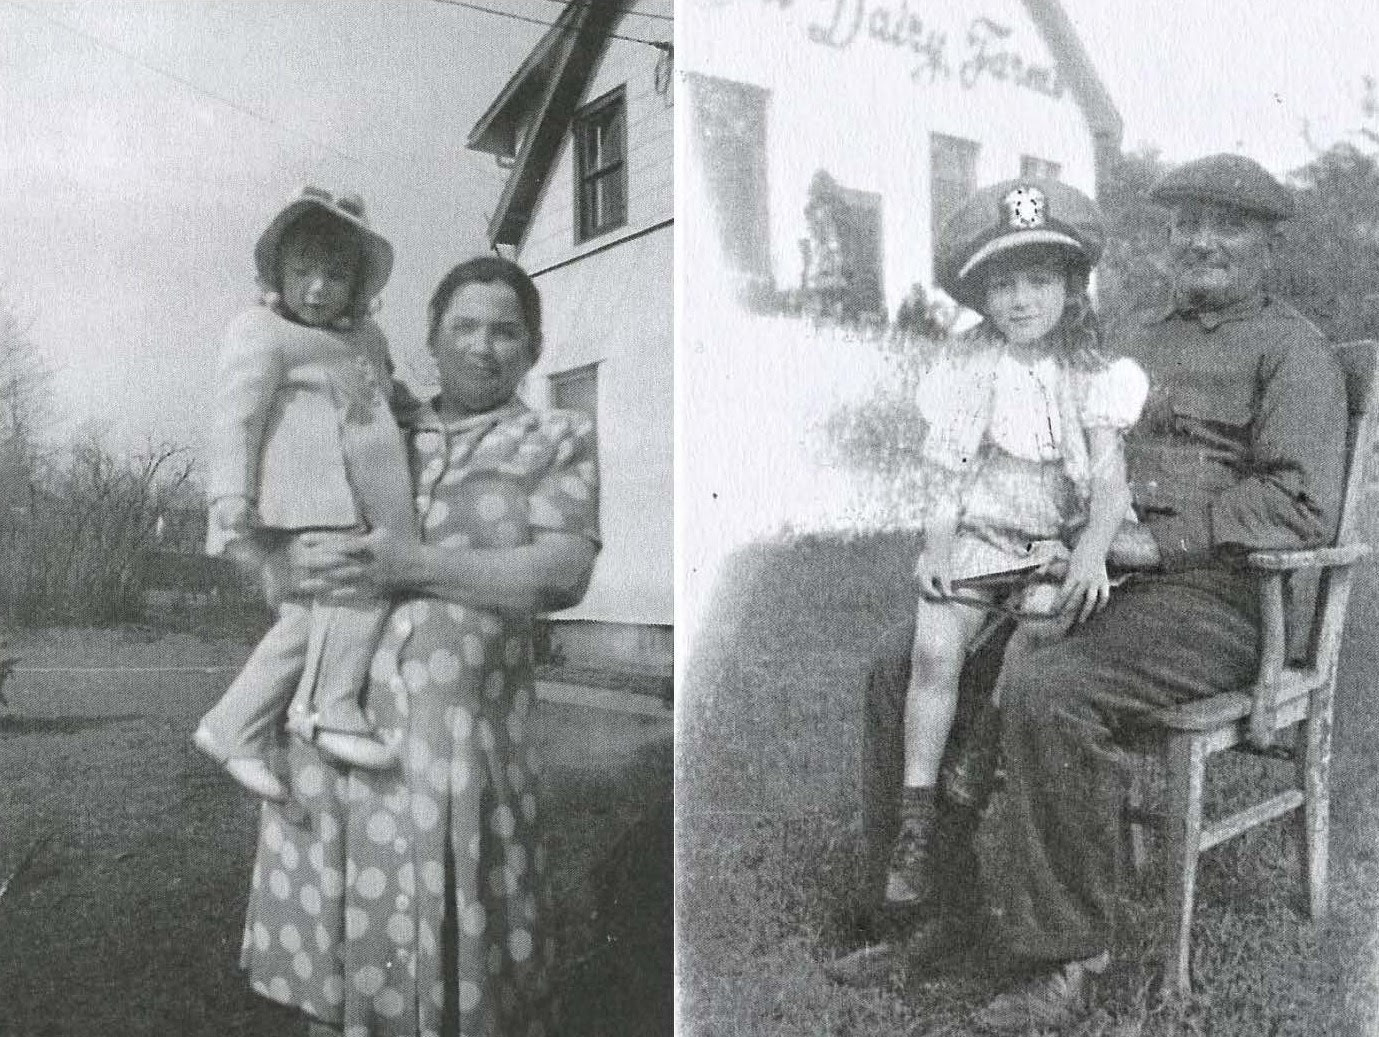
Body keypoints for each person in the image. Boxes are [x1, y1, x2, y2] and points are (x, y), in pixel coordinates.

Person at [832, 154, 1349, 1033]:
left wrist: (1157, 538)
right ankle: (929, 907)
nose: (1202, 241)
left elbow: (1299, 503)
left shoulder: (1290, 351)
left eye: (1226, 226)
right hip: (1086, 563)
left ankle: (1060, 956)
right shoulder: (1130, 344)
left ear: (1265, 241)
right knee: (899, 663)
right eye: (1186, 223)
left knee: (1050, 685)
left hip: (1218, 599)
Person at [236, 255, 600, 1037]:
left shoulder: (554, 437)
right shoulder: (379, 424)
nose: (483, 346)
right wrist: (281, 560)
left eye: (506, 331)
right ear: (430, 340)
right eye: (463, 326)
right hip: (337, 742)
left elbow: (562, 573)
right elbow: (285, 530)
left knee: (459, 974)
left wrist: (416, 565)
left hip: (460, 757)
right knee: (336, 971)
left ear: (533, 349)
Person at [884, 178, 1147, 913]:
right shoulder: (970, 368)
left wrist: (1093, 551)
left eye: (1038, 280)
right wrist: (936, 546)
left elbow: (1109, 488)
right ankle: (915, 816)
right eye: (1002, 286)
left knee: (1042, 620)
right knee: (934, 647)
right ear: (981, 298)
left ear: (1070, 287)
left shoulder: (1092, 373)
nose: (1020, 300)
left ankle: (981, 748)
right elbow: (948, 472)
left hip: (1051, 543)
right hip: (981, 533)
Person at [194, 186, 418, 803]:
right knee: (361, 583)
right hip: (305, 495)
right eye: (304, 273)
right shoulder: (261, 332)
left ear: (358, 285)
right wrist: (229, 495)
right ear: (279, 275)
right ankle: (329, 704)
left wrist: (411, 408)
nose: (319, 289)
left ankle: (233, 724)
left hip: (364, 493)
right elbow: (235, 417)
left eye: (336, 276)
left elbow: (386, 393)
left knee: (305, 616)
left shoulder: (366, 340)